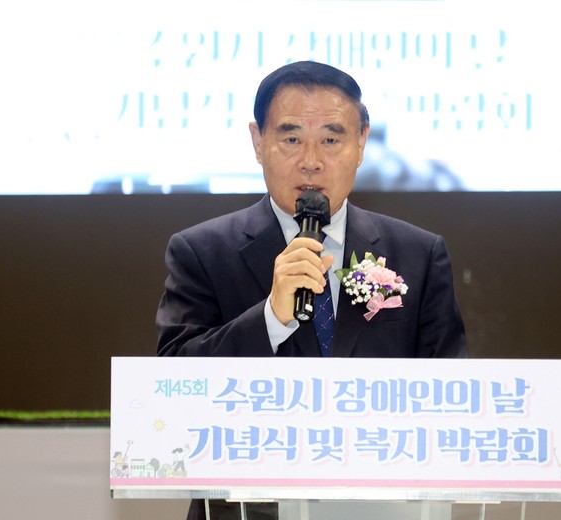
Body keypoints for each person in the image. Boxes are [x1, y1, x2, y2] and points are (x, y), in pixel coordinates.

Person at [156, 60, 468, 520]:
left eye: (331, 139)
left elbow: (452, 396)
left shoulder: (418, 254)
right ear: (257, 142)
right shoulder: (201, 251)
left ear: (361, 143)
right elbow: (172, 387)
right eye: (291, 139)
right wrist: (270, 318)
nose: (311, 160)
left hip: (382, 507)